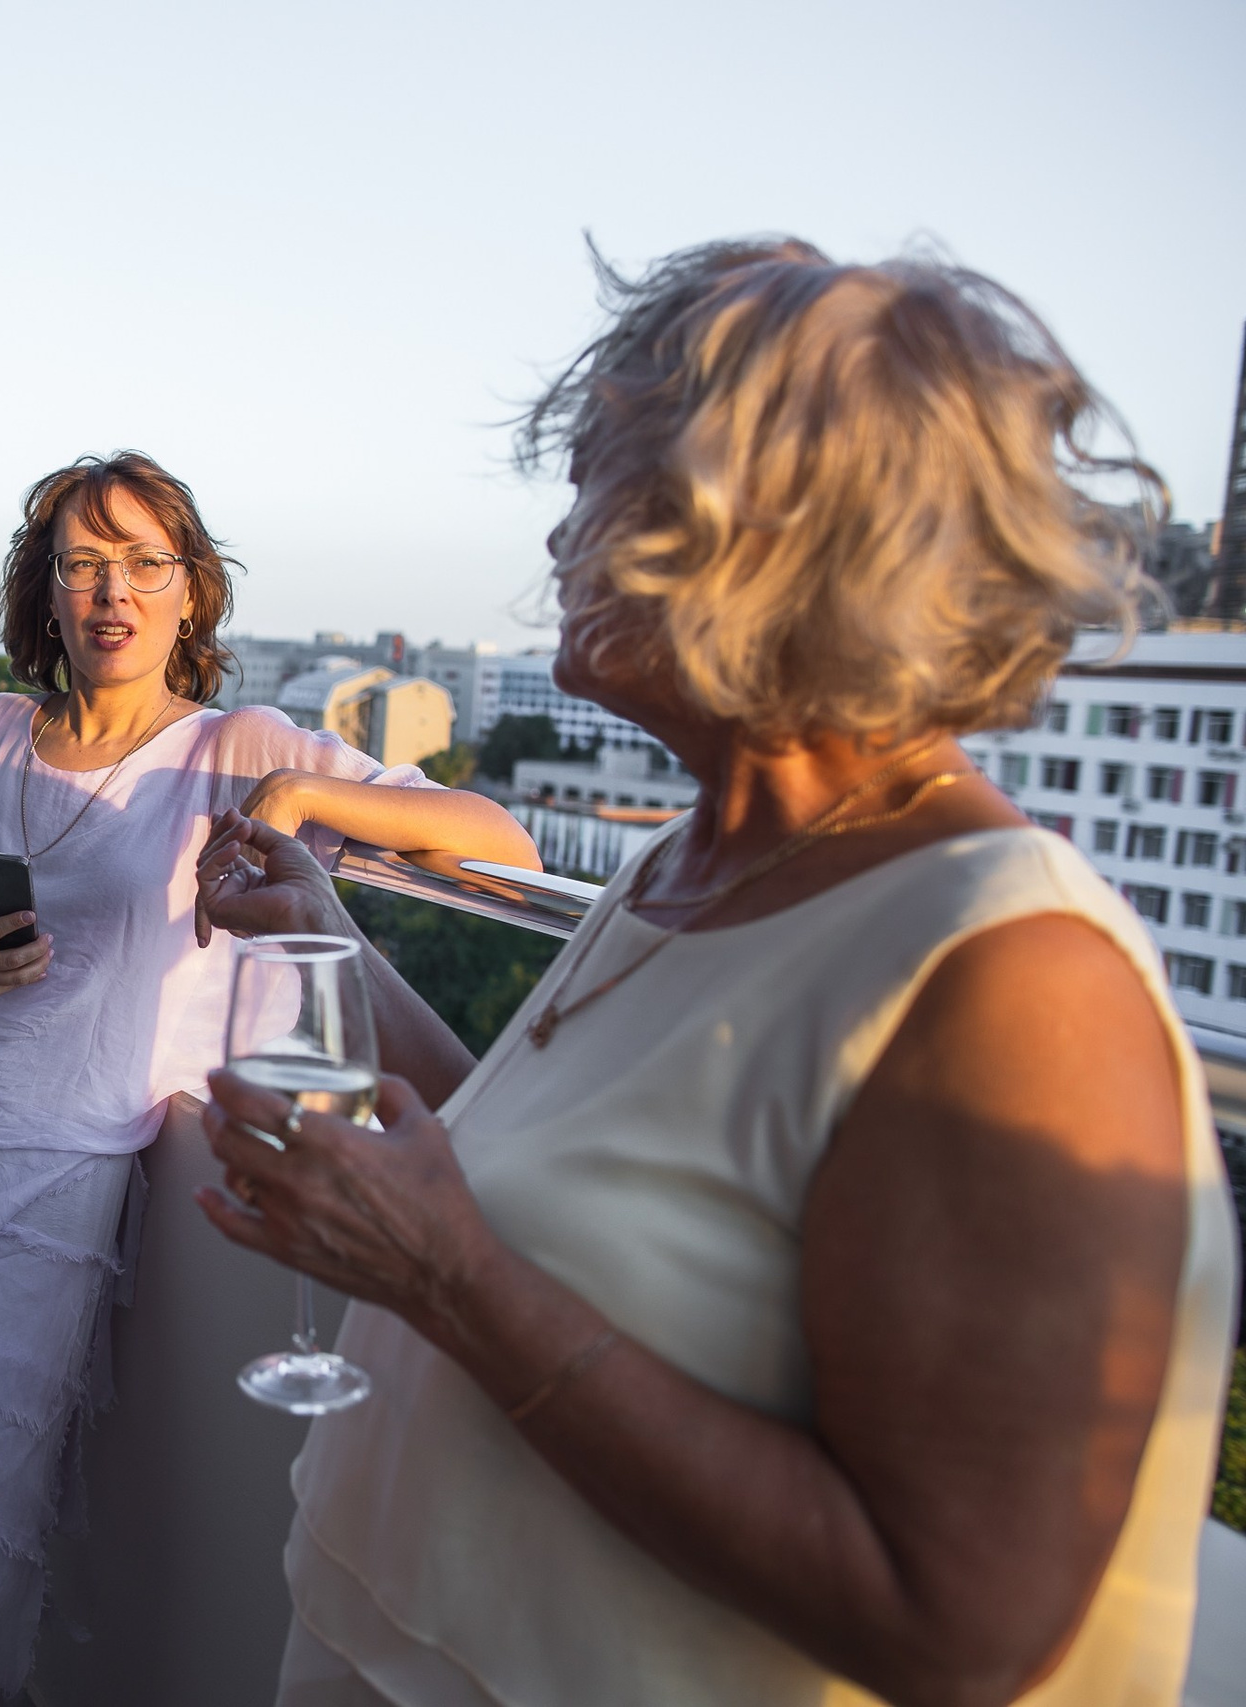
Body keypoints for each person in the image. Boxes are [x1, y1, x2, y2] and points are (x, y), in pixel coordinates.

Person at [188, 240, 1240, 1707]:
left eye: (595, 488)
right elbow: (535, 1151)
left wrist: (447, 1278)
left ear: (758, 538)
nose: (556, 536)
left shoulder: (1009, 975)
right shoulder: (701, 855)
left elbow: (958, 1630)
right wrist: (328, 934)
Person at [0, 452, 539, 1705]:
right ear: (45, 592)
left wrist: (303, 791)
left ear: (191, 591)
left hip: (47, 1195)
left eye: (145, 563)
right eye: (84, 563)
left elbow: (503, 841)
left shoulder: (239, 748)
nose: (113, 592)